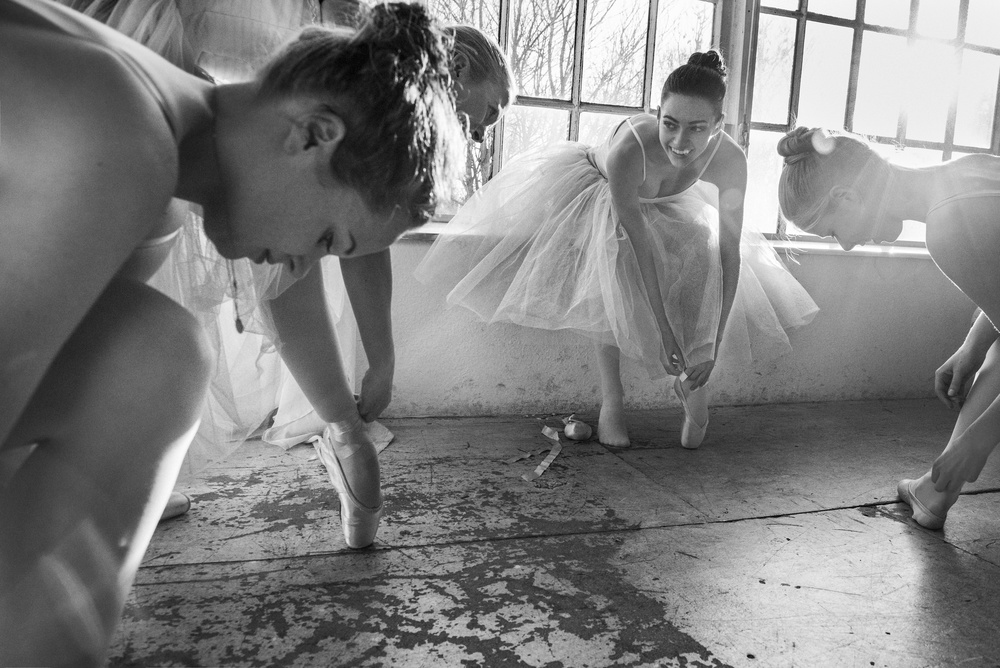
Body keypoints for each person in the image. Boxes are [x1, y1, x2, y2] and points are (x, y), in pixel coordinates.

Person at [0, 0, 464, 665]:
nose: (299, 266)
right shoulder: (119, 138)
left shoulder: (155, 148)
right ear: (313, 135)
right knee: (157, 362)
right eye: (327, 239)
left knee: (157, 357)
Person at [416, 51, 818, 448]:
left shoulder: (730, 160)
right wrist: (664, 333)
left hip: (666, 201)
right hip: (603, 189)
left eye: (696, 129)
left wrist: (713, 344)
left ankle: (693, 381)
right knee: (614, 262)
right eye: (670, 124)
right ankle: (613, 399)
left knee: (704, 247)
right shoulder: (631, 150)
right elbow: (641, 248)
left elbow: (731, 253)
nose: (680, 142)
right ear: (657, 114)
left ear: (717, 125)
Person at [776, 126, 1000, 530]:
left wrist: (977, 443)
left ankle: (936, 490)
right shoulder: (971, 169)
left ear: (847, 197)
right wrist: (973, 345)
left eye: (833, 231)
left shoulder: (946, 226)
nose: (845, 245)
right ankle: (934, 492)